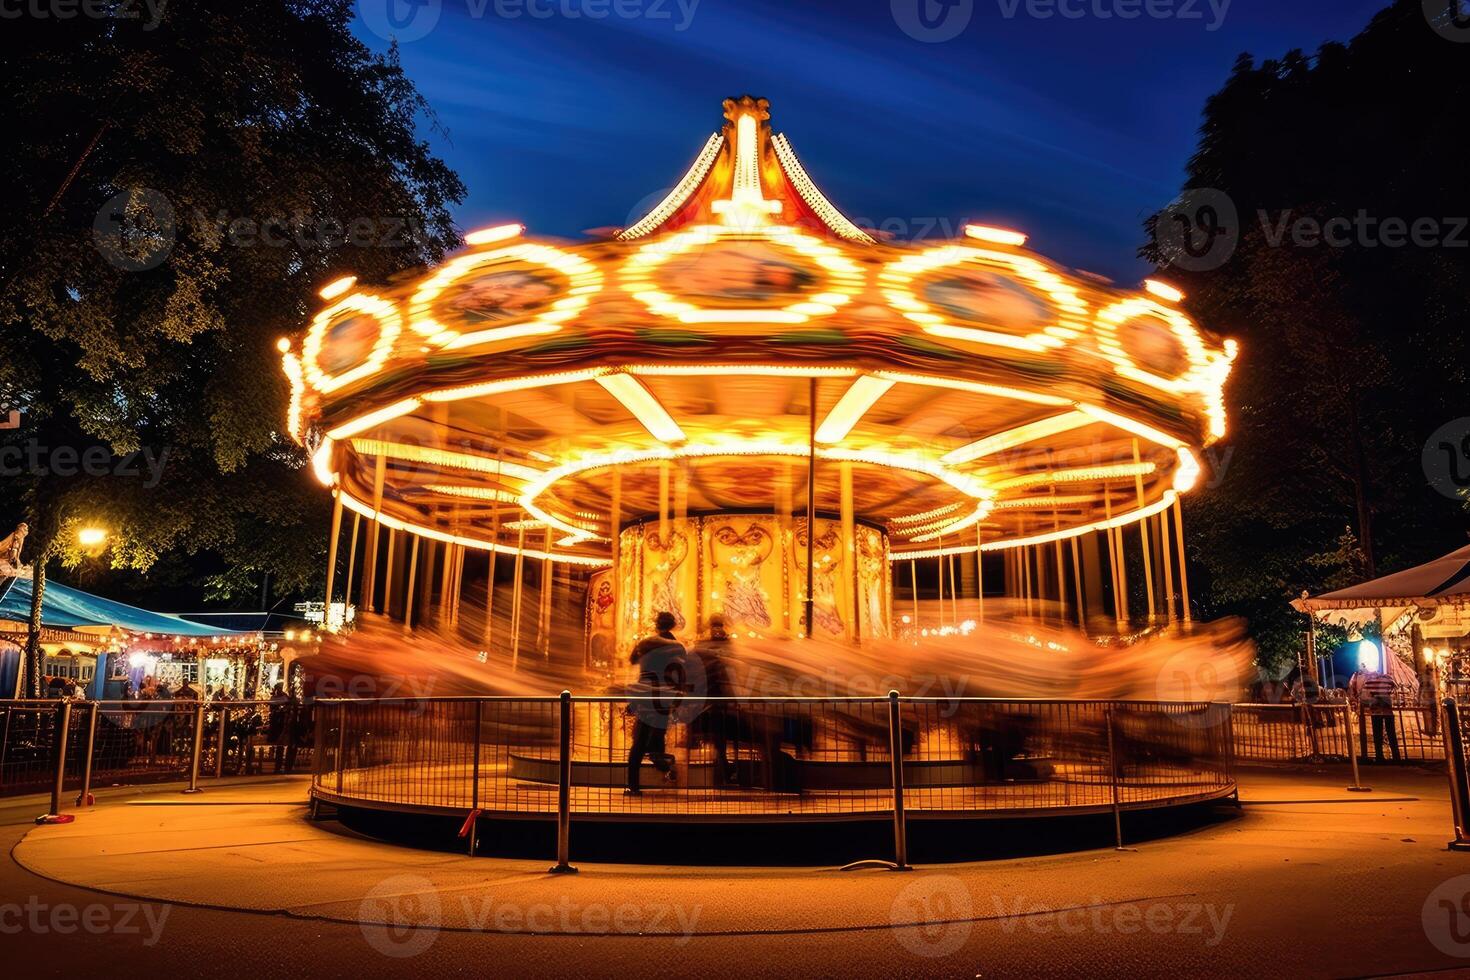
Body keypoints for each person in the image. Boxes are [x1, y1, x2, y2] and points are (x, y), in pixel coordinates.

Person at [625, 611, 686, 795]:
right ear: (673, 625)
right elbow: (682, 675)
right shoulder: (678, 647)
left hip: (645, 696)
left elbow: (632, 659)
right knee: (655, 737)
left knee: (639, 743)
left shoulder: (647, 643)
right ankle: (666, 765)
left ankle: (633, 785)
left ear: (656, 624)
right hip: (663, 698)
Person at [687, 615, 738, 785]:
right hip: (717, 700)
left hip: (708, 700)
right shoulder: (724, 647)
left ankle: (721, 769)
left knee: (718, 738)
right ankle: (723, 770)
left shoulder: (702, 648)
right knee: (720, 738)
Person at [1350, 663, 1400, 762]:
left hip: (1375, 712)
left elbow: (1364, 698)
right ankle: (1396, 756)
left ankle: (1379, 756)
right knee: (1391, 733)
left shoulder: (1368, 683)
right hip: (1388, 711)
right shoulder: (1388, 680)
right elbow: (1396, 690)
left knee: (1377, 734)